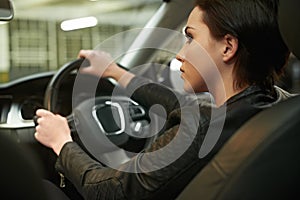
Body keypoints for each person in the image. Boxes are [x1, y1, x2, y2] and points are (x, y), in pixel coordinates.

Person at [34, 0, 292, 199]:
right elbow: (181, 106)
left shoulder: (202, 129)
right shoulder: (279, 105)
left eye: (190, 38)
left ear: (227, 47)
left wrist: (61, 142)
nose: (179, 54)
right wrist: (115, 71)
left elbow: (112, 192)